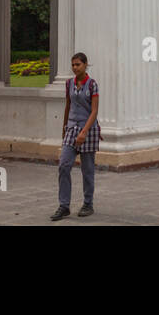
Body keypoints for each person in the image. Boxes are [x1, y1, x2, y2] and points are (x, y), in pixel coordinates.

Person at [51, 52, 99, 220]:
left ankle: (88, 203)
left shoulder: (92, 85)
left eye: (78, 64)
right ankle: (64, 205)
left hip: (88, 131)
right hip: (72, 129)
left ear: (86, 65)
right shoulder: (69, 84)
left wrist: (84, 132)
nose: (75, 68)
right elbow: (68, 105)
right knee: (64, 165)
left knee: (87, 169)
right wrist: (64, 129)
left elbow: (94, 111)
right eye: (73, 65)